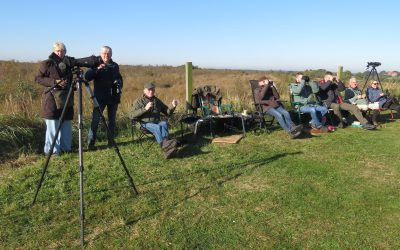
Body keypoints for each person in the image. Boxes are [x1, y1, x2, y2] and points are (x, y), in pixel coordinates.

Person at [35, 41, 100, 156]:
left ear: (65, 51)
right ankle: (52, 151)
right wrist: (54, 82)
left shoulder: (69, 63)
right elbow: (38, 79)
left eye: (62, 51)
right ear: (54, 51)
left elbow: (79, 63)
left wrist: (95, 62)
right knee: (53, 126)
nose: (60, 53)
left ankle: (66, 148)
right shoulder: (47, 64)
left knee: (66, 125)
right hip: (51, 99)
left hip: (67, 97)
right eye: (58, 51)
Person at [84, 46, 123, 150]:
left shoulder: (115, 66)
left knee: (112, 121)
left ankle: (110, 142)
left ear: (111, 54)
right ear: (101, 54)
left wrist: (120, 85)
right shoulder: (96, 64)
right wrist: (97, 69)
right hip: (100, 99)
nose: (106, 55)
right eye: (104, 53)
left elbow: (119, 77)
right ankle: (91, 144)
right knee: (95, 121)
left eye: (108, 53)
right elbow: (86, 77)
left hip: (113, 98)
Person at [129, 82, 178, 158]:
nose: (151, 91)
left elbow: (167, 112)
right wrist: (145, 109)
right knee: (157, 127)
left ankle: (168, 146)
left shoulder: (157, 101)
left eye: (152, 89)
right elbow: (131, 115)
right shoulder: (138, 101)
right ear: (144, 91)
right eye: (149, 90)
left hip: (156, 122)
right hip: (143, 124)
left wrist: (172, 106)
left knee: (164, 124)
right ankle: (165, 148)